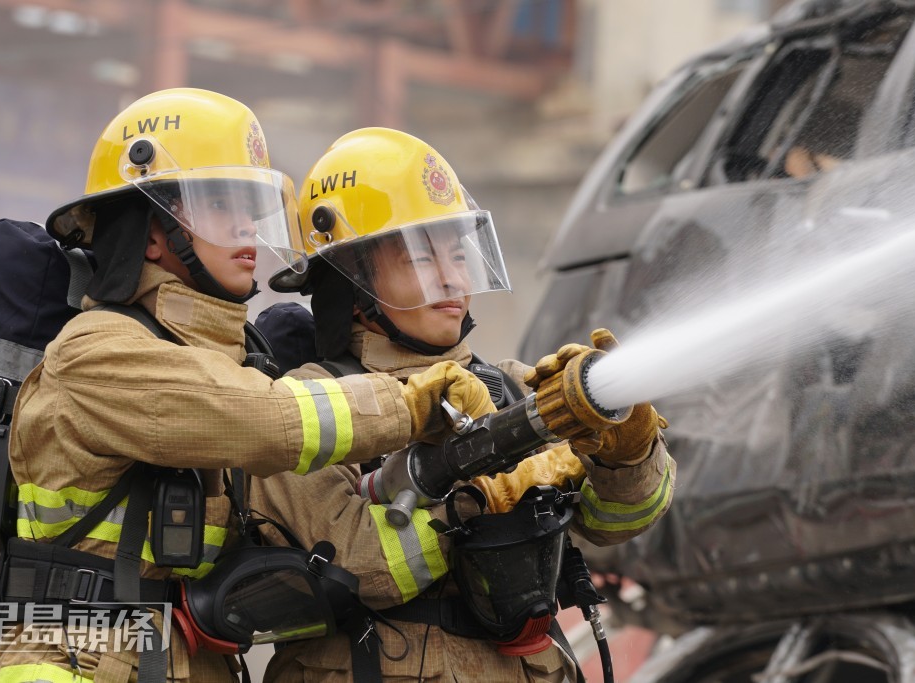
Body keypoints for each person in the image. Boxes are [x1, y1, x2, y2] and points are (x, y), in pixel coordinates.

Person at [0, 91, 494, 683]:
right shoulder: (98, 351)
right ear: (152, 235)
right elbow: (265, 421)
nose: (247, 227)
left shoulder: (226, 359)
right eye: (219, 205)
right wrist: (414, 405)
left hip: (181, 660)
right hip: (73, 661)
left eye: (252, 207)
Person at [253, 128, 676, 682]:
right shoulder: (301, 407)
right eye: (422, 257)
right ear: (351, 278)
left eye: (459, 253)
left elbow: (617, 523)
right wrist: (486, 491)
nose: (453, 277)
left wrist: (625, 452)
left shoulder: (510, 390)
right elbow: (364, 568)